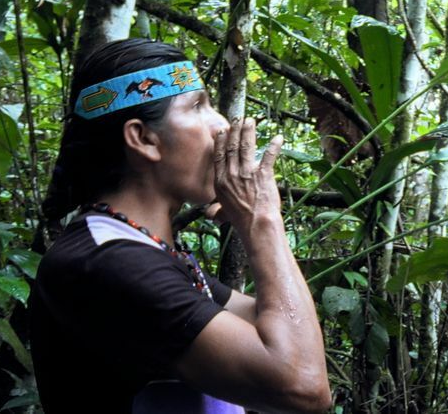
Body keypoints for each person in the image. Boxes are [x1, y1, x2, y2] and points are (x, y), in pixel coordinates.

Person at [30, 38, 332, 413]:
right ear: (143, 139)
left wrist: (259, 218)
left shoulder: (144, 250)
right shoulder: (107, 263)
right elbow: (303, 386)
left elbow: (286, 333)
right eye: (197, 107)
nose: (221, 125)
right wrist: (261, 221)